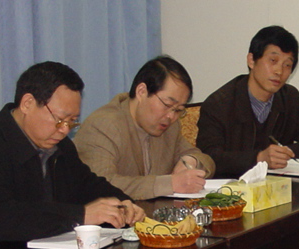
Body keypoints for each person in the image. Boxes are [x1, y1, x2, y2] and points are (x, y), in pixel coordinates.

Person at [0, 61, 144, 249]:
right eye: (59, 119)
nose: (64, 130)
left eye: (72, 121)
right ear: (27, 104)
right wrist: (81, 215)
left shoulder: (61, 146)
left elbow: (86, 184)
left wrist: (123, 204)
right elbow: (3, 219)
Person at [196, 26, 299, 176]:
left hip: (279, 186)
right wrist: (258, 159)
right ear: (251, 60)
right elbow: (208, 158)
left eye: (287, 65)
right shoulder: (219, 104)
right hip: (233, 187)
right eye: (273, 61)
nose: (279, 71)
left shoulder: (289, 97)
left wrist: (286, 153)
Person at [74, 55, 215, 199]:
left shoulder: (170, 127)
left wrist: (191, 161)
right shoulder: (103, 125)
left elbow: (205, 160)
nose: (171, 116)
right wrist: (169, 184)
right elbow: (101, 186)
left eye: (178, 110)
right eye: (167, 105)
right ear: (141, 91)